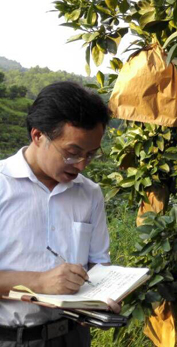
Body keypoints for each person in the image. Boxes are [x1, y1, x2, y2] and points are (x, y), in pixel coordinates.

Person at [0, 81, 120, 347]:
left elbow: (98, 265)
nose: (80, 165)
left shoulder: (90, 193)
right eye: (72, 153)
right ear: (38, 136)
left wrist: (104, 296)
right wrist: (40, 282)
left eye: (90, 155)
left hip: (72, 336)